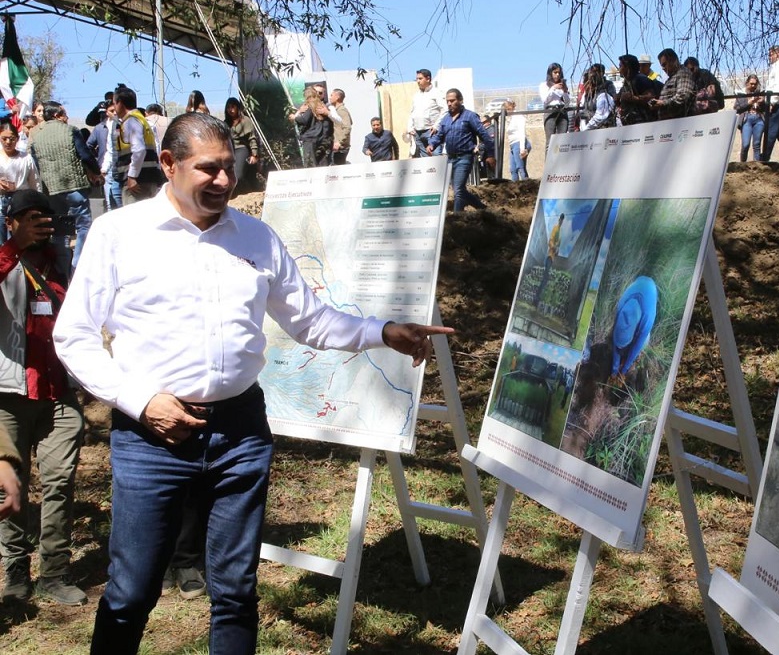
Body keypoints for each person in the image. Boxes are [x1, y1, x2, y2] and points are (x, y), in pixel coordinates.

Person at [52, 112, 453, 653]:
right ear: (168, 164)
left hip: (240, 434)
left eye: (229, 167)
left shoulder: (257, 237)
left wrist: (383, 332)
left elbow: (310, 321)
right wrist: (141, 402)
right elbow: (74, 337)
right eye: (208, 168)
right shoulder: (119, 234)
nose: (224, 180)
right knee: (131, 592)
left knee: (236, 591)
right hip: (150, 439)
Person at [0, 188, 86, 606]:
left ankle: (54, 571)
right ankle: (15, 570)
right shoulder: (5, 261)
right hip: (9, 394)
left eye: (45, 217)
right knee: (10, 485)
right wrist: (13, 248)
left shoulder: (61, 263)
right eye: (29, 217)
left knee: (59, 483)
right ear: (10, 222)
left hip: (59, 392)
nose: (40, 224)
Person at [31, 101, 101, 271]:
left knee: (59, 229)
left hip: (52, 189)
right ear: (56, 115)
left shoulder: (36, 137)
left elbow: (36, 164)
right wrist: (96, 172)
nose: (67, 117)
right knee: (83, 225)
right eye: (64, 114)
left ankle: (62, 267)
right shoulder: (70, 131)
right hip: (74, 186)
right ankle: (78, 263)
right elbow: (85, 155)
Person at [427, 89, 494, 212]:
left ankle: (457, 216)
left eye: (452, 101)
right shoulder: (446, 119)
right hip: (450, 159)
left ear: (460, 100)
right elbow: (439, 135)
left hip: (465, 157)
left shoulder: (470, 116)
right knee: (459, 189)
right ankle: (482, 209)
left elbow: (484, 135)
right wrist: (432, 144)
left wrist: (490, 154)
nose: (449, 104)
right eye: (447, 101)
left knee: (458, 189)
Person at [113, 86, 164, 202]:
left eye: (114, 104)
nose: (114, 109)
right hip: (148, 178)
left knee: (134, 213)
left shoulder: (130, 121)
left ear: (120, 103)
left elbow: (139, 150)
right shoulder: (141, 120)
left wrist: (132, 176)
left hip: (137, 182)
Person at [0, 121, 42, 235]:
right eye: (4, 138)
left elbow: (35, 182)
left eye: (12, 139)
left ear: (17, 139)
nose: (8, 142)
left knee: (17, 236)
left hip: (20, 203)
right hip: (1, 201)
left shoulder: (26, 158)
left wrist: (37, 203)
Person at [406, 69, 446, 158]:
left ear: (428, 79)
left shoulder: (436, 93)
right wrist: (410, 127)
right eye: (417, 79)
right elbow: (412, 112)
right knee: (425, 160)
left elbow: (445, 110)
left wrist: (436, 125)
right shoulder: (416, 95)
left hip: (431, 132)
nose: (418, 81)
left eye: (420, 79)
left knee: (436, 157)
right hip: (418, 133)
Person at [224, 97, 259, 195]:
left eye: (233, 107)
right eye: (228, 107)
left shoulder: (245, 120)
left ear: (237, 108)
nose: (230, 110)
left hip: (241, 148)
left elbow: (252, 138)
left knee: (237, 175)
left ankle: (245, 191)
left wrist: (254, 154)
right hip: (229, 151)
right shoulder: (225, 123)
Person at [650, 49, 697, 120]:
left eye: (664, 64)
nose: (663, 68)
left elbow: (683, 96)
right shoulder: (670, 79)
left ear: (674, 61)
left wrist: (663, 103)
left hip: (682, 122)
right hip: (669, 123)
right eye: (662, 66)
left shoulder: (683, 73)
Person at [292, 86, 333, 167]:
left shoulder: (310, 105)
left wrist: (295, 118)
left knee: (310, 164)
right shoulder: (321, 105)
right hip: (321, 139)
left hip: (310, 139)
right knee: (322, 163)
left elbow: (304, 120)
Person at [616, 54, 657, 126]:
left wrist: (634, 98)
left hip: (642, 124)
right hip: (629, 125)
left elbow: (651, 98)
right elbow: (620, 98)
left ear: (628, 67)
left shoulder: (640, 79)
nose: (619, 69)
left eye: (620, 66)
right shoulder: (627, 83)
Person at [539, 63, 571, 153]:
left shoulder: (562, 85)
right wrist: (553, 88)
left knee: (562, 142)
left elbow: (567, 102)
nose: (557, 75)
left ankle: (561, 161)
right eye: (555, 72)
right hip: (550, 111)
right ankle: (549, 162)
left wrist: (565, 91)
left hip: (562, 112)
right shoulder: (544, 85)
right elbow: (545, 100)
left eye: (559, 73)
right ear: (550, 73)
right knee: (550, 142)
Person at [734, 75, 767, 161]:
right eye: (751, 84)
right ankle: (742, 164)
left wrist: (762, 102)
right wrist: (749, 103)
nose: (753, 86)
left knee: (757, 144)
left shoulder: (761, 93)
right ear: (747, 83)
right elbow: (737, 108)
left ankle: (756, 165)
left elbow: (766, 109)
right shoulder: (741, 94)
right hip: (746, 119)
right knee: (745, 145)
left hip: (759, 119)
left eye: (755, 84)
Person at [504, 99, 530, 181]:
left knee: (520, 167)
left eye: (508, 109)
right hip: (513, 145)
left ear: (512, 107)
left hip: (519, 143)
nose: (507, 112)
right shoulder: (511, 119)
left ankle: (527, 185)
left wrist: (522, 148)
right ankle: (515, 186)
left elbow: (522, 132)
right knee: (513, 169)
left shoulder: (519, 117)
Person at [328, 89, 353, 165]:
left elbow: (347, 127)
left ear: (337, 97)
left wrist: (339, 142)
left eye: (332, 95)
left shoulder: (341, 110)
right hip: (337, 147)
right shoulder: (336, 110)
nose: (330, 97)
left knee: (338, 169)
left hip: (340, 148)